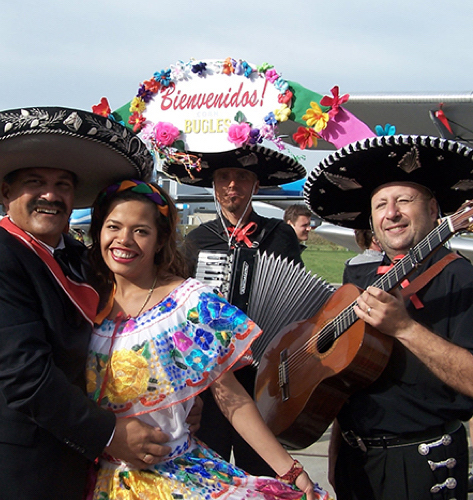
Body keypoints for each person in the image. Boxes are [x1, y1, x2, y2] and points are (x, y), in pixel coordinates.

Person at [85, 179, 324, 499]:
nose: (124, 240)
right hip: (90, 477)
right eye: (113, 226)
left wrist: (289, 468)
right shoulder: (83, 298)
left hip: (169, 480)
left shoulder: (190, 304)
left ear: (160, 241)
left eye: (141, 230)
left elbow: (232, 398)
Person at [0, 106, 169, 499]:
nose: (51, 195)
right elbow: (26, 378)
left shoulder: (82, 258)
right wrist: (111, 432)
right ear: (5, 192)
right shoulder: (5, 256)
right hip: (24, 470)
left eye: (63, 184)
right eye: (35, 182)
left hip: (81, 463)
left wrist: (169, 403)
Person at [305, 135, 473, 499]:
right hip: (355, 460)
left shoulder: (462, 278)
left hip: (421, 460)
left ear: (433, 210)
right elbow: (347, 377)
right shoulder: (360, 280)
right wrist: (337, 449)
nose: (391, 213)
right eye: (380, 204)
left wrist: (405, 328)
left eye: (404, 201)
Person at [166, 143, 306, 476]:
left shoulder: (279, 235)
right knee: (212, 472)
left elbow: (296, 294)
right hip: (213, 379)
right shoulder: (198, 239)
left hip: (263, 376)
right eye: (224, 177)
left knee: (262, 471)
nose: (232, 185)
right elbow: (183, 308)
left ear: (256, 185)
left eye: (241, 177)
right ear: (213, 185)